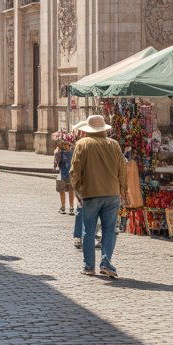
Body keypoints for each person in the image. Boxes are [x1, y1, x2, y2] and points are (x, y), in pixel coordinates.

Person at [70, 114, 128, 280]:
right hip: (112, 194)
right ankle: (106, 262)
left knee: (88, 231)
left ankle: (89, 267)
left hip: (90, 193)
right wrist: (123, 191)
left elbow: (75, 171)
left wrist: (78, 191)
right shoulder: (114, 144)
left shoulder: (83, 144)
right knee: (109, 230)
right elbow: (122, 170)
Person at [54, 139, 74, 214]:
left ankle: (71, 207)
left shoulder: (73, 152)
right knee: (61, 191)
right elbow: (57, 163)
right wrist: (57, 152)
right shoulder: (59, 152)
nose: (65, 146)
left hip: (71, 174)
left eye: (67, 145)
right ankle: (63, 207)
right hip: (61, 173)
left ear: (69, 145)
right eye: (64, 145)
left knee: (71, 191)